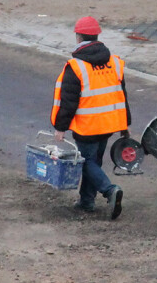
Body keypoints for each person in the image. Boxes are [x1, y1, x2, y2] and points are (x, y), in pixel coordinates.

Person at [51, 16, 131, 219]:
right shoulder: (114, 63)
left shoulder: (76, 67)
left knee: (86, 162)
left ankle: (109, 190)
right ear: (97, 36)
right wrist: (124, 124)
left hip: (87, 127)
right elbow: (121, 95)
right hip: (108, 124)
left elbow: (68, 102)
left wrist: (60, 128)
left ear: (78, 37)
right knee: (93, 161)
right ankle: (87, 201)